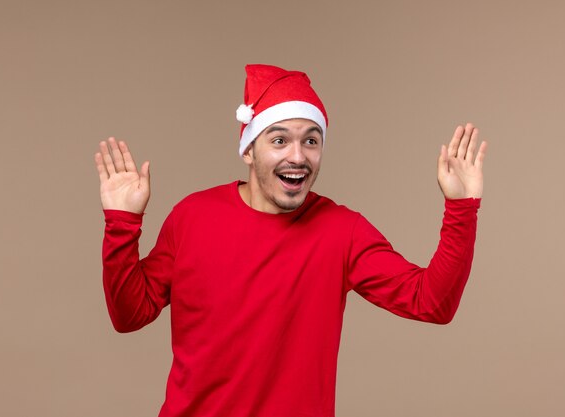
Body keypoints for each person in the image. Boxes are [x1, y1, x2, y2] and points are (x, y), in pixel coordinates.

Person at [94, 64, 487, 417]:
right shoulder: (192, 217)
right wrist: (122, 223)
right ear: (248, 150)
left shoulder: (341, 230)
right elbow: (129, 316)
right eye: (279, 141)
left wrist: (461, 208)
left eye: (311, 141)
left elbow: (432, 303)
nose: (297, 156)